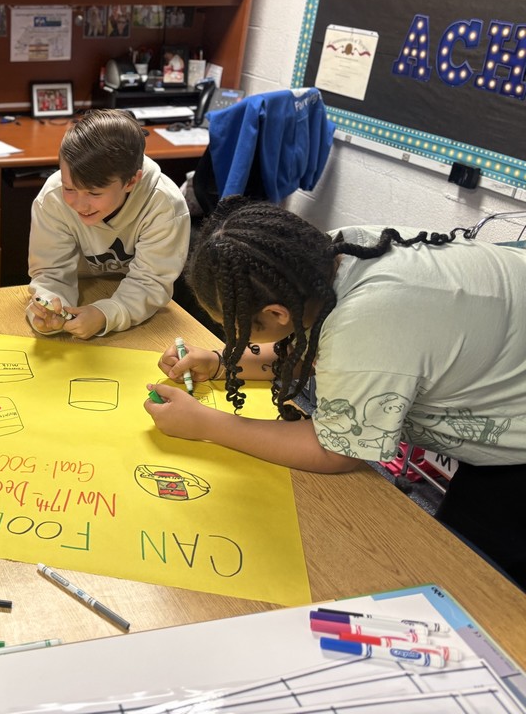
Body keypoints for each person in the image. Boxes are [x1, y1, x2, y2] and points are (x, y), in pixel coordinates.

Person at [144, 198, 526, 589]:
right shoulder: (325, 255)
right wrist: (222, 362)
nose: (237, 340)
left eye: (240, 331)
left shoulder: (369, 323)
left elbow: (335, 451)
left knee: (471, 580)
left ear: (277, 314)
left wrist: (205, 422)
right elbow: (309, 346)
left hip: (516, 440)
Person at [26, 109, 190, 340]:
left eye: (94, 192)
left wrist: (104, 314)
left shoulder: (165, 205)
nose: (79, 204)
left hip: (134, 306)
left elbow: (150, 282)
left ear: (132, 181)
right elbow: (51, 273)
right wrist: (51, 309)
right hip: (84, 290)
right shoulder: (52, 199)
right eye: (69, 188)